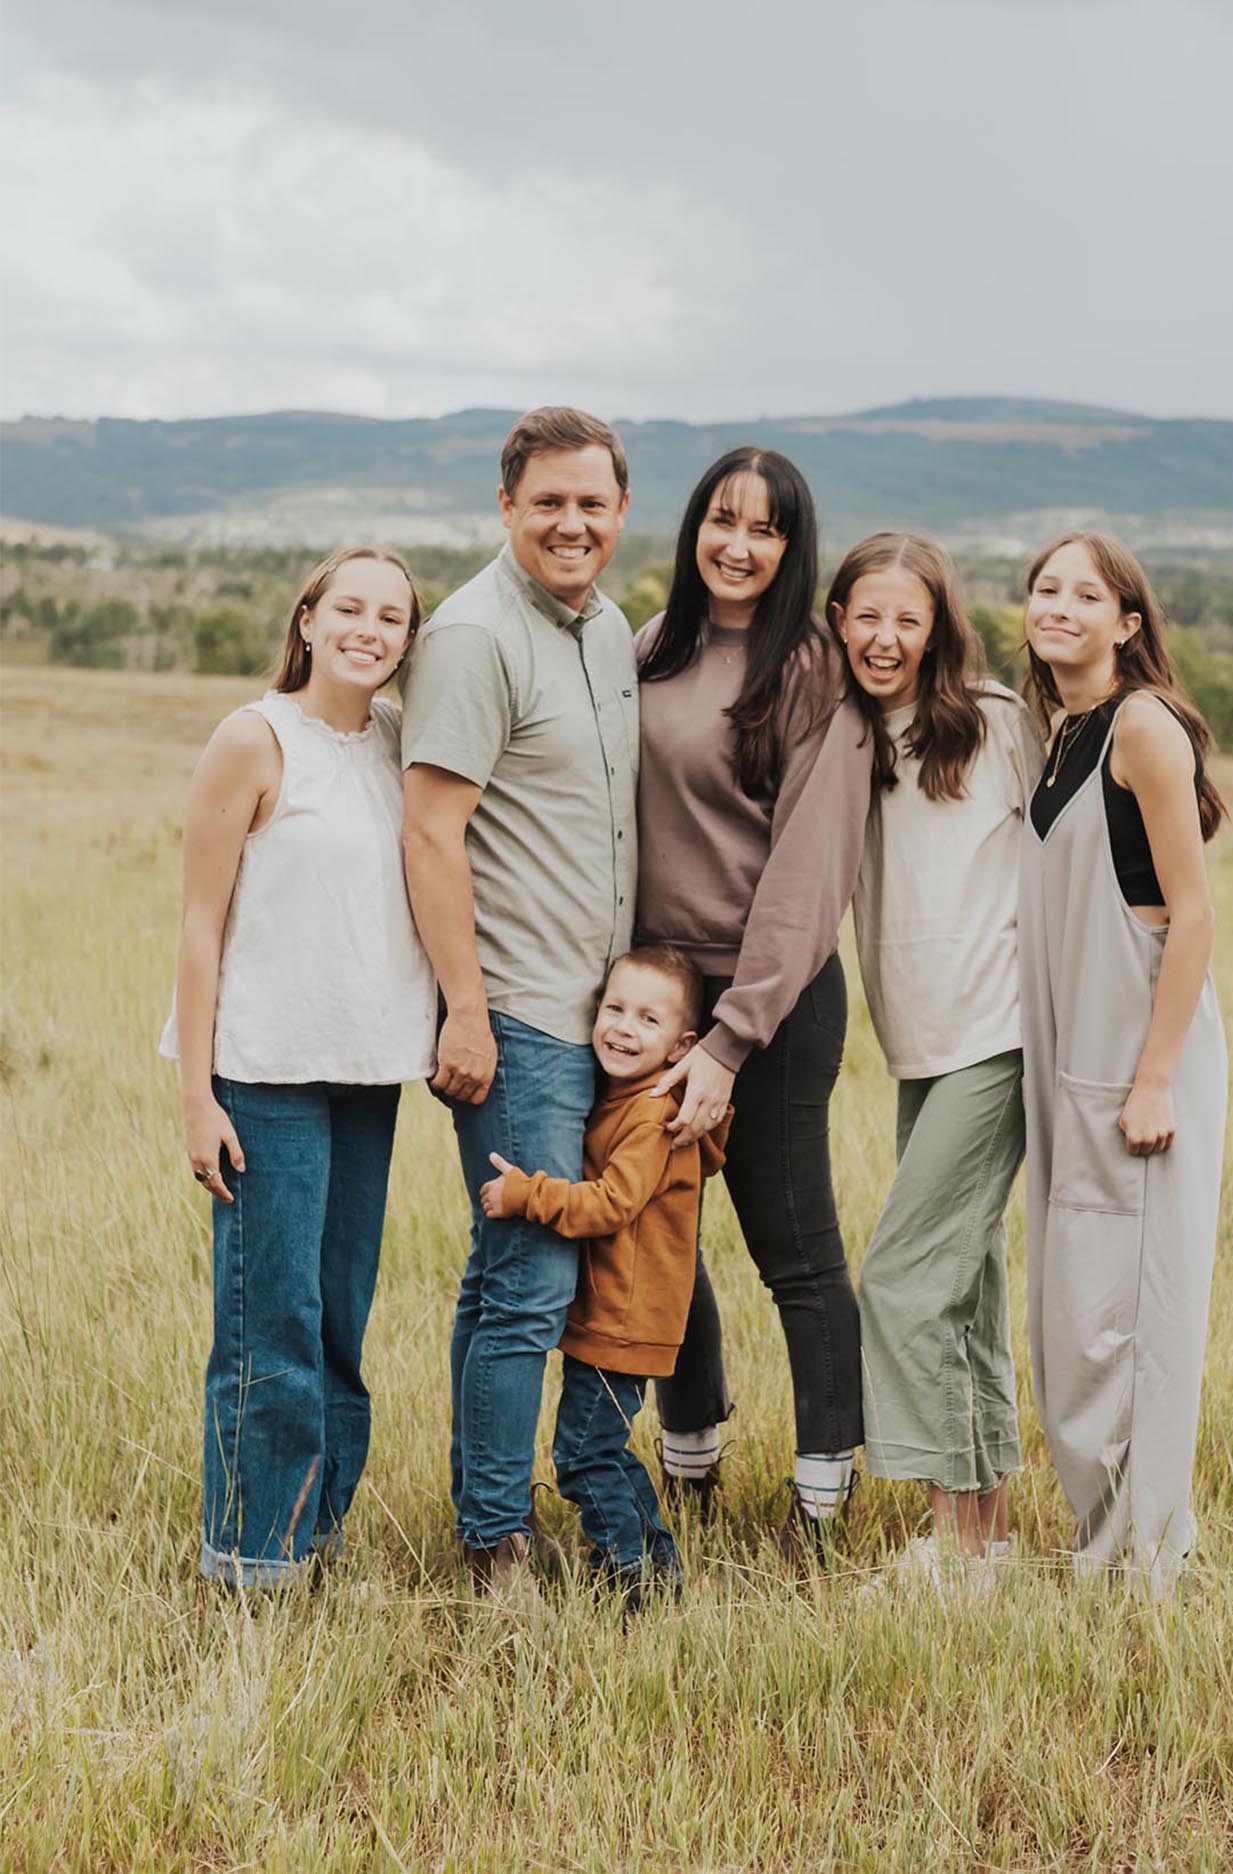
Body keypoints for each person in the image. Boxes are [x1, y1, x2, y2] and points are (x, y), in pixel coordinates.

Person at [162, 547, 435, 1587]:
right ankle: (247, 1558)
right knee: (266, 1319)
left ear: (410, 640)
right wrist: (196, 1096)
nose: (370, 629)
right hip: (263, 1071)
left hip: (366, 1071)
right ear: (310, 618)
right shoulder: (253, 736)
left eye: (393, 616)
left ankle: (309, 1536)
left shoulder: (402, 742)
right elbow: (198, 922)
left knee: (337, 1318)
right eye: (350, 608)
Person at [400, 406, 637, 1596]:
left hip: (603, 1017)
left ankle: (491, 1501)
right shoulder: (474, 635)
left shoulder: (610, 631)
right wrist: (465, 1008)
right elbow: (431, 831)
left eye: (591, 502)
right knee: (530, 1275)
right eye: (547, 500)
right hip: (521, 1012)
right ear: (505, 506)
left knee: (514, 1270)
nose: (570, 522)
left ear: (620, 512)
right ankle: (495, 1539)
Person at [634, 446, 870, 1550]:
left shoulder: (814, 671)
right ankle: (688, 1458)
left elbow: (808, 873)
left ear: (792, 547)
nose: (737, 544)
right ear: (692, 529)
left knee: (794, 1246)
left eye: (764, 529)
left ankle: (822, 1492)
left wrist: (730, 1039)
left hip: (768, 1001)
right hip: (658, 992)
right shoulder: (649, 649)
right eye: (721, 520)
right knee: (661, 1236)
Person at [828, 533, 1043, 1593]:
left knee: (906, 1280)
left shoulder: (998, 723)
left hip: (995, 1034)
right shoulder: (849, 738)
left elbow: (1081, 846)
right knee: (964, 1284)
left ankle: (952, 1545)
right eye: (865, 614)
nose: (884, 636)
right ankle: (987, 1537)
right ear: (836, 620)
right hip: (918, 1041)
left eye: (906, 617)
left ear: (937, 626)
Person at [1018, 531, 1228, 1599]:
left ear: (1127, 622)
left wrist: (1153, 1077)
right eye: (1044, 588)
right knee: (1072, 1319)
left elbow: (1190, 917)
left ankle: (1143, 1573)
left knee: (1130, 1320)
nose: (1058, 605)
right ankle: (1110, 1552)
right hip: (1075, 1054)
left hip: (1138, 1057)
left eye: (1084, 592)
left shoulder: (1139, 729)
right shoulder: (1057, 730)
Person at [479, 946, 731, 1609]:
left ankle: (631, 1574)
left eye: (647, 1020)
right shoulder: (622, 1099)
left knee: (585, 1453)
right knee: (598, 1446)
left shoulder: (650, 1117)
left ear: (682, 1045)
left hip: (625, 1318)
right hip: (616, 1313)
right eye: (614, 1009)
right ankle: (651, 1560)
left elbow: (611, 1204)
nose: (623, 1028)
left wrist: (524, 1195)